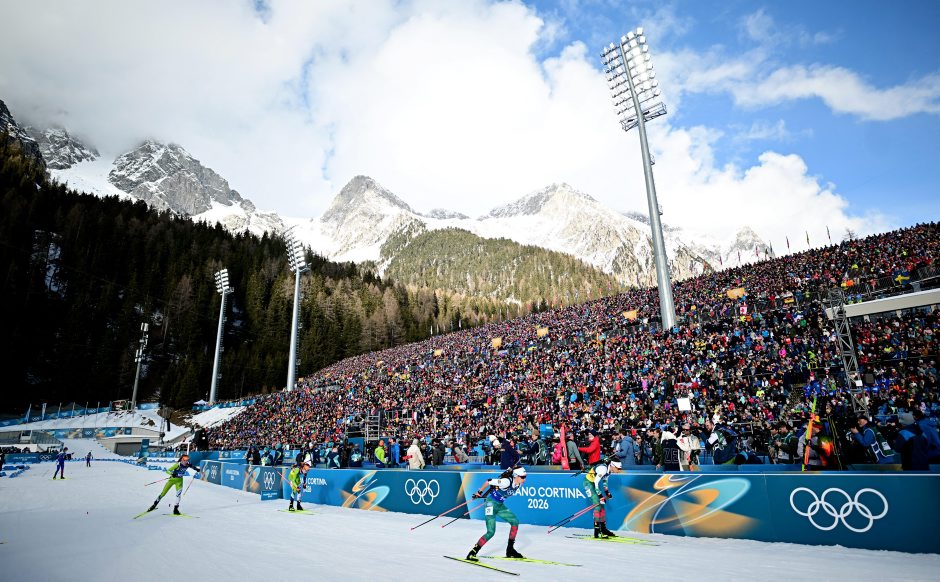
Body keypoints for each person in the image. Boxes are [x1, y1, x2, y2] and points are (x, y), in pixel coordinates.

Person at [465, 467, 527, 561]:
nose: (524, 479)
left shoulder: (518, 484)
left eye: (525, 477)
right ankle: (472, 553)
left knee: (515, 521)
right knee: (491, 532)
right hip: (490, 504)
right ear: (516, 476)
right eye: (522, 477)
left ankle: (510, 550)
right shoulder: (506, 482)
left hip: (499, 505)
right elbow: (488, 481)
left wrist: (497, 486)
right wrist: (479, 492)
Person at [583, 461, 616, 538]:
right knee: (597, 505)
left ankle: (603, 529)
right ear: (613, 466)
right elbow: (596, 482)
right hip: (588, 483)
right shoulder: (603, 469)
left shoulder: (609, 471)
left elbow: (605, 481)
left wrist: (607, 492)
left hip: (593, 484)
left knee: (602, 505)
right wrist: (600, 496)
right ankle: (597, 530)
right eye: (618, 468)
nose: (619, 470)